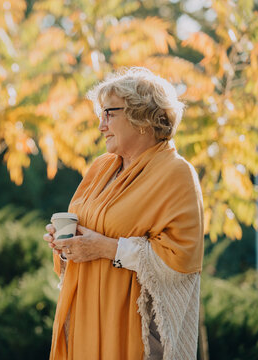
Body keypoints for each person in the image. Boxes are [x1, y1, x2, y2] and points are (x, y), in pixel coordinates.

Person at [43, 67, 204, 360]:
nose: (101, 126)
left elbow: (181, 260)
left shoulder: (176, 174)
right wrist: (65, 246)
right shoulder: (100, 168)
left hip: (134, 329)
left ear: (142, 118)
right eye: (100, 115)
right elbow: (83, 234)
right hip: (85, 318)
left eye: (109, 114)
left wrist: (106, 248)